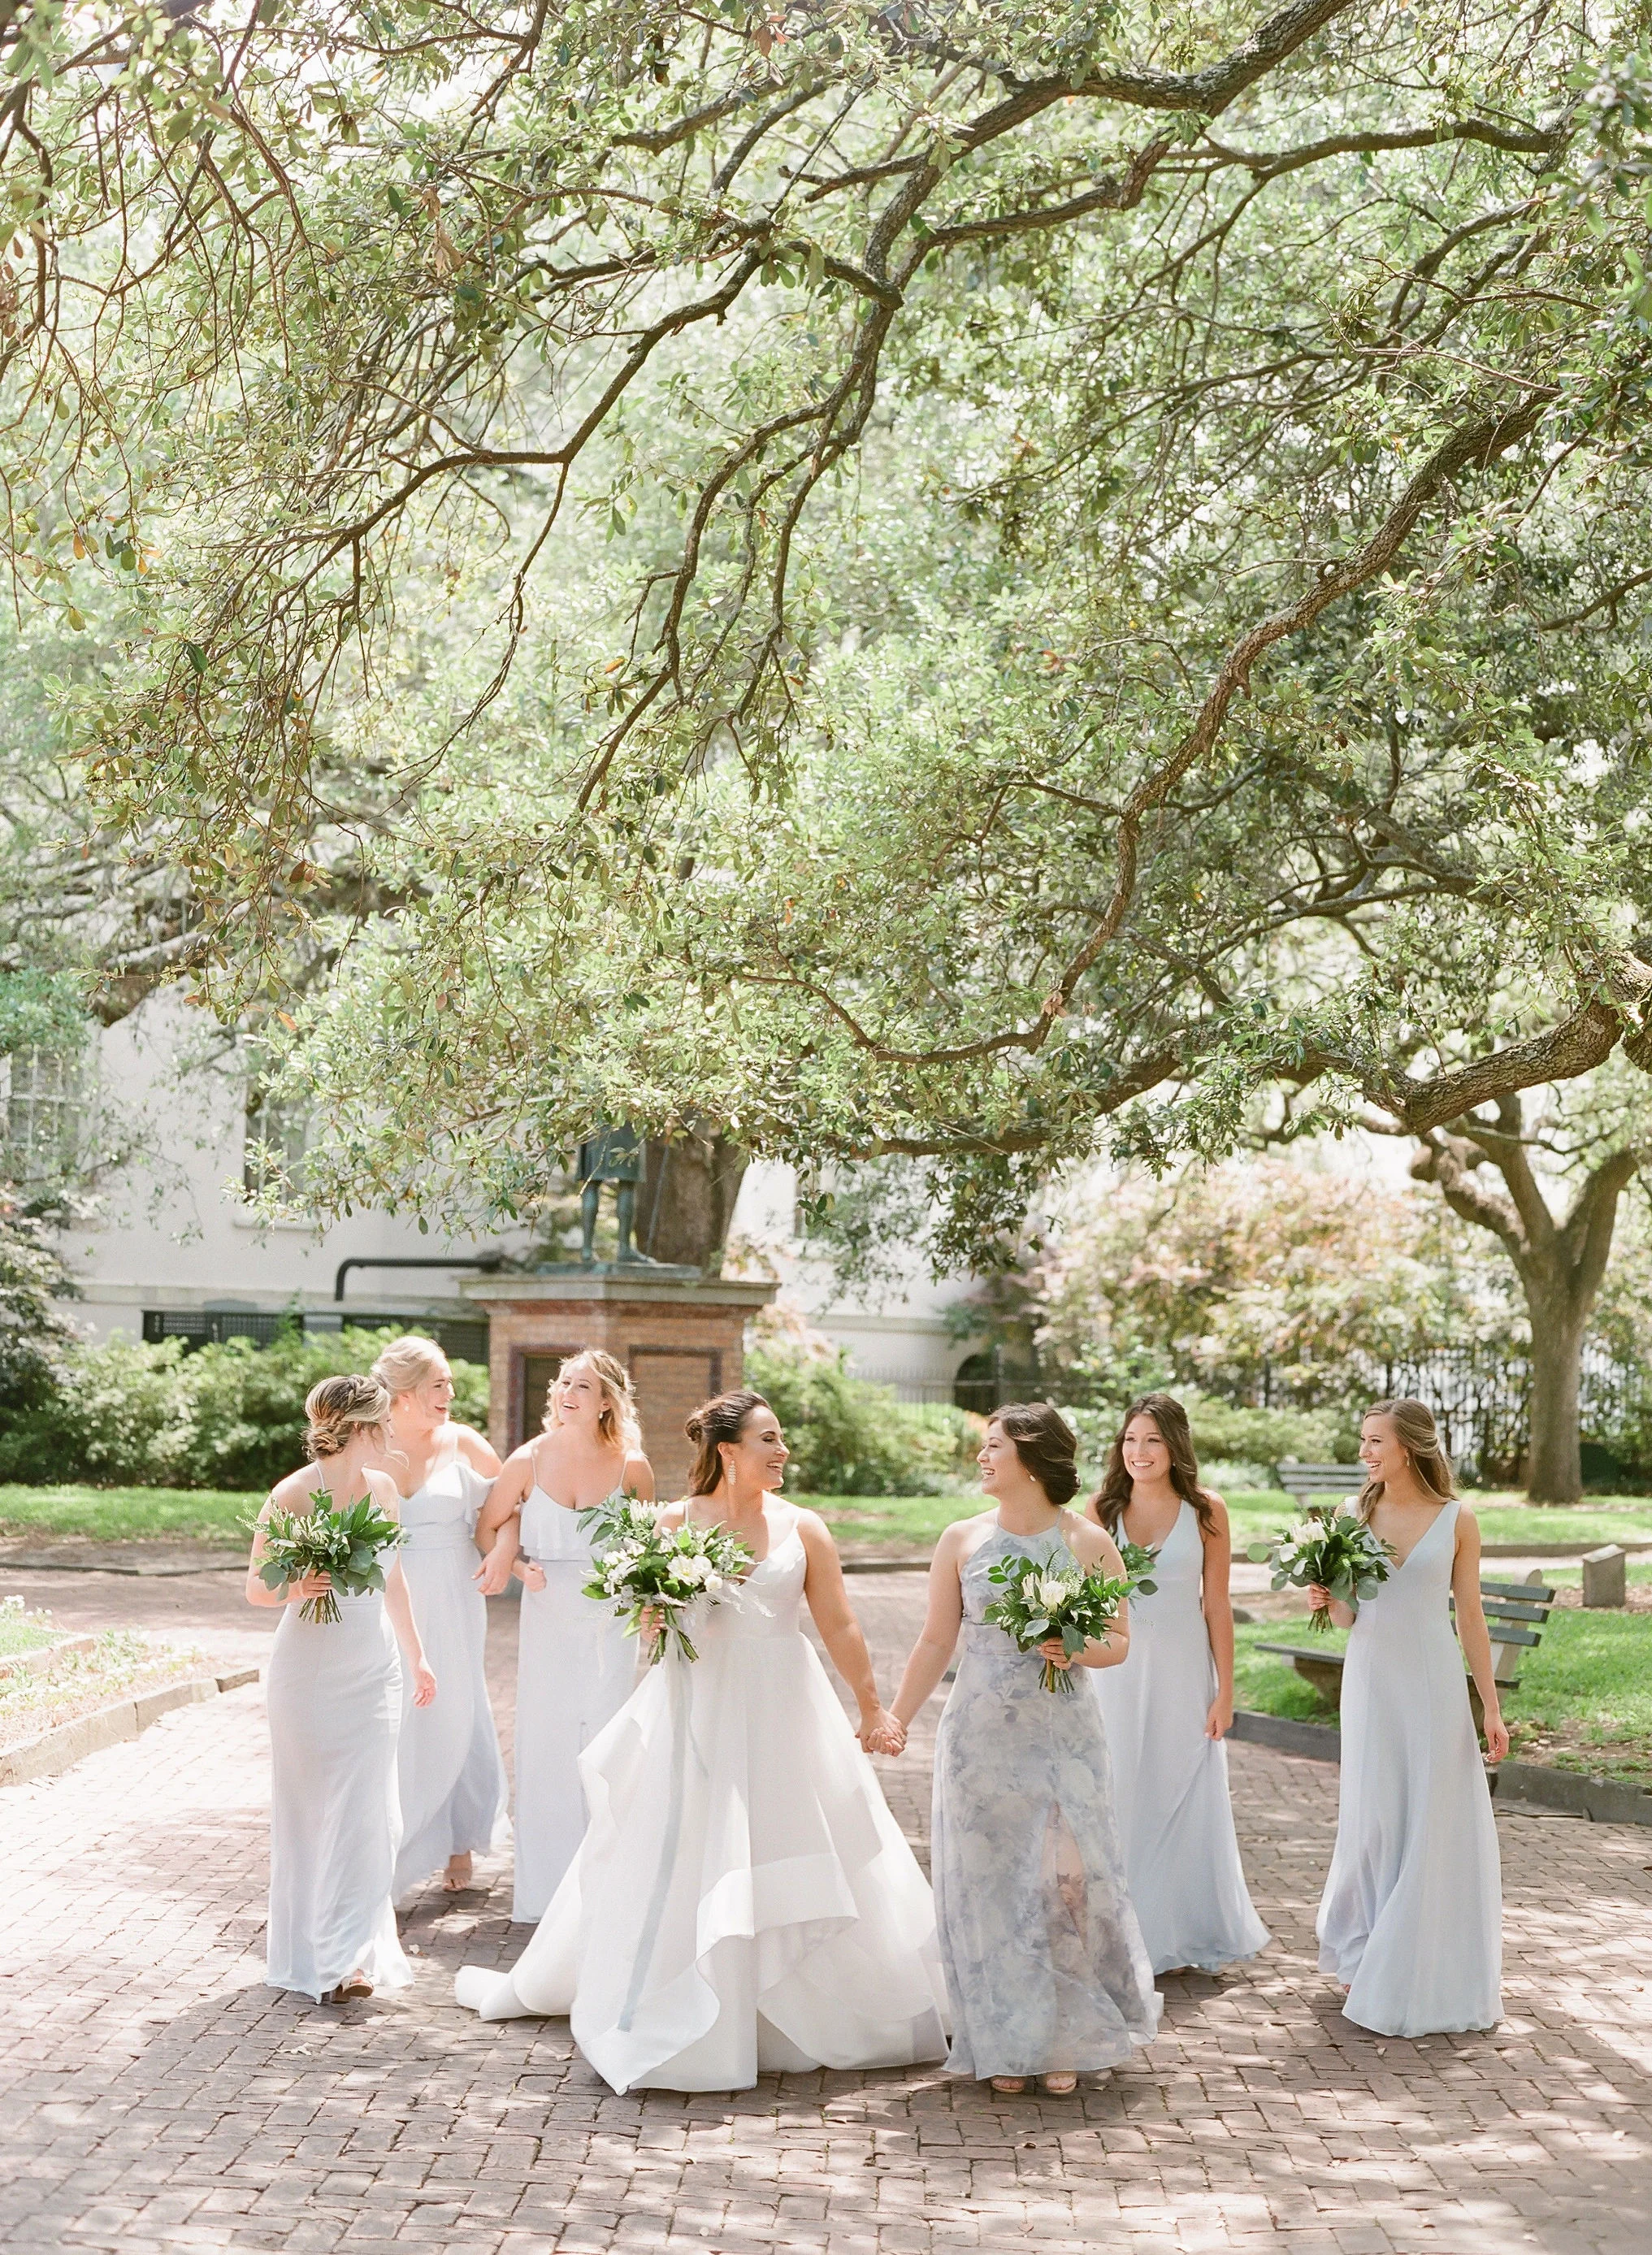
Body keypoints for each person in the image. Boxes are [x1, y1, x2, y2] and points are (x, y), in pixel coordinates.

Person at [456, 1390, 947, 2092]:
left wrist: (871, 1708)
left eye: (781, 1440)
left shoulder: (803, 1527)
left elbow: (838, 1623)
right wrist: (656, 1617)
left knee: (797, 1830)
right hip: (697, 1700)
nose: (782, 1452)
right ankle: (671, 1995)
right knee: (685, 1840)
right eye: (768, 1440)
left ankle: (800, 2004)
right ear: (727, 1450)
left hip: (783, 1703)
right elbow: (642, 1615)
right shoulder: (672, 1522)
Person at [887, 1403, 1159, 2096]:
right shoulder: (960, 1539)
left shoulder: (1088, 1540)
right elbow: (933, 1640)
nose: (981, 1458)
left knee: (1064, 1881)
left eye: (993, 1447)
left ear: (1032, 1458)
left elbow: (1119, 1641)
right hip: (978, 1736)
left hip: (1063, 1734)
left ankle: (1064, 2034)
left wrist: (1074, 1645)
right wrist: (895, 1717)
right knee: (989, 1884)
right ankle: (1005, 2036)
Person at [1313, 1397, 1505, 2036]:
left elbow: (1470, 1617)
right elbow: (1345, 1618)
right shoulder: (1349, 1514)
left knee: (1428, 1812)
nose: (1364, 1452)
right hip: (1370, 1679)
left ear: (1410, 1446)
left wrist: (1491, 1707)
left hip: (1431, 1681)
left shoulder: (1457, 1519)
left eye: (1374, 1441)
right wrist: (1325, 1591)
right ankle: (1364, 1945)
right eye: (1362, 1440)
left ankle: (1418, 1955)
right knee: (1372, 1812)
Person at [248, 1373, 436, 2005]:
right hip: (307, 1672)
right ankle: (317, 1956)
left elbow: (396, 1579)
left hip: (373, 1667)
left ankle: (350, 1958)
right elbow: (255, 1586)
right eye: (382, 1421)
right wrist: (298, 1584)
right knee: (312, 1812)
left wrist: (419, 1656)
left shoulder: (384, 1489)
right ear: (360, 1427)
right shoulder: (293, 1494)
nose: (390, 1432)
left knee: (371, 1814)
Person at [1085, 1393, 1268, 1975]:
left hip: (1184, 1669)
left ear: (1174, 1445)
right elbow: (1085, 1598)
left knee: (1178, 1783)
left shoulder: (1206, 1510)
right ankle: (1118, 1927)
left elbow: (1216, 1605)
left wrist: (1224, 1690)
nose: (1138, 1451)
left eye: (1152, 1440)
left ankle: (1180, 1929)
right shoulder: (1099, 1509)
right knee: (1118, 1783)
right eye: (1130, 1439)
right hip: (1115, 1668)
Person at [473, 1349, 655, 1921]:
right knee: (546, 1741)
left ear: (607, 1402)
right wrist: (517, 1563)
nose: (567, 1392)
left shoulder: (633, 1466)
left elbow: (649, 1549)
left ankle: (604, 1886)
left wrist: (652, 1603)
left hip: (611, 1616)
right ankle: (545, 1895)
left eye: (584, 1385)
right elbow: (487, 1525)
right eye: (563, 1383)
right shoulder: (527, 1459)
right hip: (548, 1610)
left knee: (605, 1740)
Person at [371, 1335, 506, 1902]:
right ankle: (395, 1843)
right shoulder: (370, 1444)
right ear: (403, 1394)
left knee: (454, 1703)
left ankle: (457, 1837)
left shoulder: (464, 1442)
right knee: (397, 1710)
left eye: (449, 1381)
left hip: (453, 1589)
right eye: (438, 1384)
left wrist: (503, 1550)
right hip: (388, 1590)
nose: (450, 1392)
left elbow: (511, 1503)